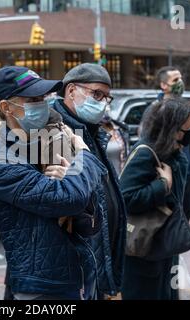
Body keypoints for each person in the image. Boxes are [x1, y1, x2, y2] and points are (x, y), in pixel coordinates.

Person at [0, 66, 112, 300]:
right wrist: (84, 154)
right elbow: (68, 199)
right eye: (33, 99)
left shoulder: (47, 145)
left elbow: (90, 220)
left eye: (43, 97)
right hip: (42, 289)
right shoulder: (0, 163)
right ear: (6, 108)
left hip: (75, 277)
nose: (42, 104)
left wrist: (73, 180)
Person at [52, 63, 127, 298]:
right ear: (71, 91)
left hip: (96, 262)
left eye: (107, 97)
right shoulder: (54, 132)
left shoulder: (92, 130)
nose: (103, 102)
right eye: (97, 94)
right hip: (75, 268)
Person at [119, 98, 190, 300]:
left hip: (165, 244)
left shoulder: (175, 151)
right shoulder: (146, 153)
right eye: (187, 126)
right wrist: (162, 186)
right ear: (173, 128)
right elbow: (126, 197)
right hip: (144, 248)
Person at [154, 66, 190, 221]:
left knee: (182, 224)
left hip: (185, 176)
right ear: (163, 85)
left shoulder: (189, 110)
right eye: (175, 79)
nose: (180, 82)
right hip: (162, 177)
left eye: (180, 78)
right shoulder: (155, 109)